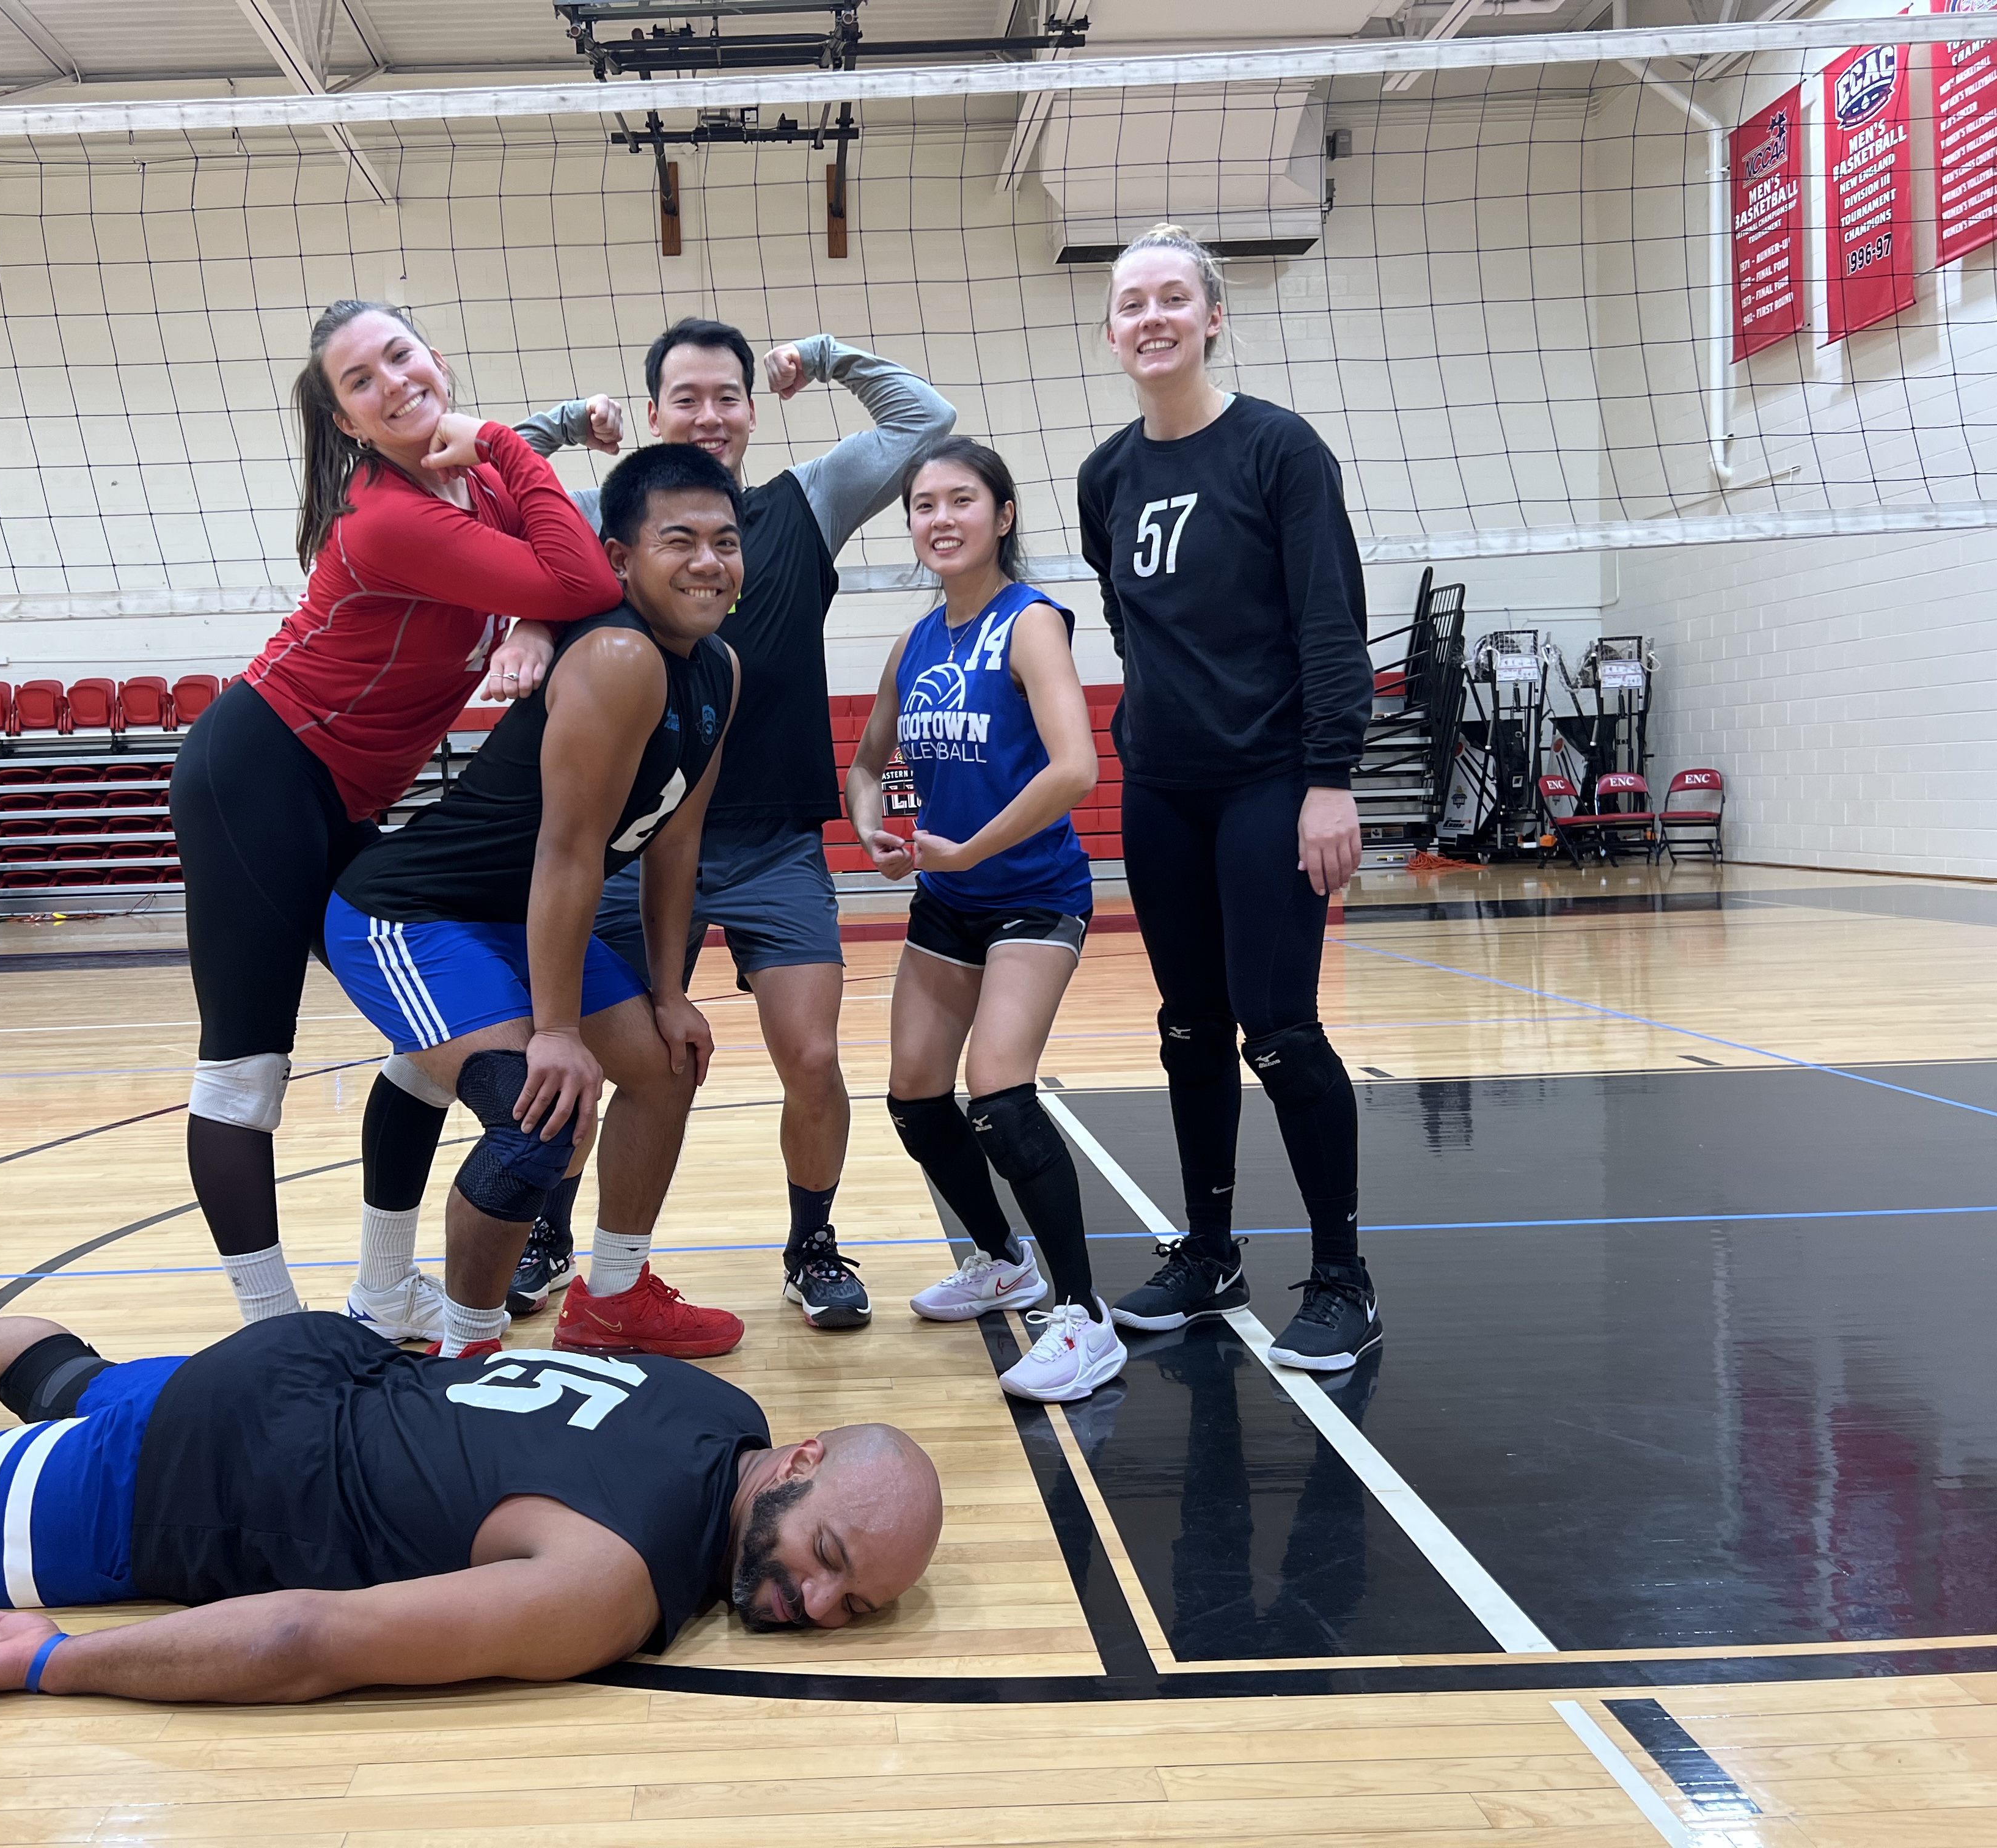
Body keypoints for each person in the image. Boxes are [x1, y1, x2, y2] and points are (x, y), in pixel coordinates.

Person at [0, 1250, 942, 1700]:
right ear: (804, 1462)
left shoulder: (718, 1405)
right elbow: (306, 1639)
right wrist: (53, 1662)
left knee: (78, 1387)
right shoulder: (609, 1582)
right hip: (213, 1479)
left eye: (855, 1607)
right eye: (827, 1558)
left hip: (313, 1374)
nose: (818, 1605)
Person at [370, 319, 951, 1335]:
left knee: (811, 1057)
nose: (709, 414)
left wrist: (825, 358)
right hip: (631, 845)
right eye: (687, 398)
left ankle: (810, 1247)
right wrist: (565, 425)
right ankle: (550, 1240)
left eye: (728, 395)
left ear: (753, 409)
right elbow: (487, 481)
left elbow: (925, 421)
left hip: (770, 839)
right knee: (590, 1062)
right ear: (651, 415)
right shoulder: (613, 522)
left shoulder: (803, 504)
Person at [169, 299, 619, 1342]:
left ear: (436, 359)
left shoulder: (475, 478)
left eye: (400, 356)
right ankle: (275, 1337)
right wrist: (507, 449)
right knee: (246, 1072)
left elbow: (562, 571)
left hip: (340, 797)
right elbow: (584, 575)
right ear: (348, 424)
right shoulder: (385, 518)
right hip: (257, 774)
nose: (393, 383)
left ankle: (381, 1294)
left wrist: (534, 621)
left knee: (429, 1040)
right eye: (361, 381)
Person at [320, 444, 747, 1362]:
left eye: (725, 541)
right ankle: (469, 1356)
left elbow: (677, 841)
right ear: (620, 559)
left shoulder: (719, 666)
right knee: (540, 1118)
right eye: (679, 541)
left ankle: (615, 1299)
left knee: (668, 1065)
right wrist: (556, 1032)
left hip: (517, 919)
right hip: (413, 914)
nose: (709, 563)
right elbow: (568, 853)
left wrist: (671, 992)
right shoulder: (619, 656)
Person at [1075, 224, 1379, 1371]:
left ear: (1213, 318)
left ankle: (1344, 1278)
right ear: (1111, 332)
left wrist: (1329, 780)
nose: (1151, 318)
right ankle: (1209, 1253)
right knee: (1189, 1027)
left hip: (1270, 782)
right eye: (1131, 303)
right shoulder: (1107, 476)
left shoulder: (1278, 450)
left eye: (1173, 299)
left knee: (1280, 1030)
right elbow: (1129, 621)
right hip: (1162, 787)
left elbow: (1329, 623)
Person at [845, 439, 1116, 1404]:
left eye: (962, 500)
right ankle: (1003, 1261)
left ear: (1002, 517)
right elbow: (866, 764)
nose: (941, 519)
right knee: (916, 1099)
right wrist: (871, 825)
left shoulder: (1030, 622)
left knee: (997, 1091)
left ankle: (1084, 1317)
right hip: (949, 901)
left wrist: (968, 850)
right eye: (924, 505)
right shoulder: (915, 642)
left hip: (1034, 894)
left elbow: (1075, 768)